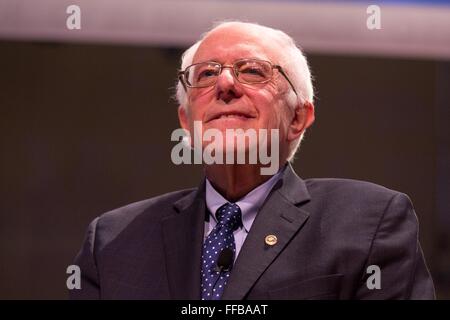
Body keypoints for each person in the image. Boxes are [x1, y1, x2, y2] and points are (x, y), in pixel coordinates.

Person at [70, 21, 435, 300]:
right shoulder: (113, 240)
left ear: (297, 118)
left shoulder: (370, 221)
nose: (225, 84)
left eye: (253, 71)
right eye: (207, 74)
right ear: (187, 122)